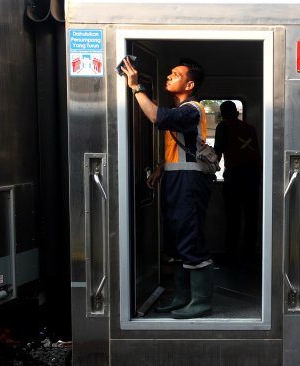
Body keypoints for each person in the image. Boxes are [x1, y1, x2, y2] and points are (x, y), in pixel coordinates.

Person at [120, 57, 214, 319]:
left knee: (190, 236)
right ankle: (182, 297)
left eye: (177, 74)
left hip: (189, 182)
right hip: (175, 179)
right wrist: (162, 167)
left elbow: (155, 117)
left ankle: (201, 302)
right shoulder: (180, 110)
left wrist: (136, 87)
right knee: (175, 239)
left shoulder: (191, 108)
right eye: (170, 73)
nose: (170, 77)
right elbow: (181, 146)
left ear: (190, 83)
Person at [214, 101, 261, 265]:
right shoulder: (250, 128)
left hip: (234, 176)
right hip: (253, 176)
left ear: (223, 114)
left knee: (233, 217)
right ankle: (248, 253)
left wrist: (211, 169)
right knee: (251, 217)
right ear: (235, 112)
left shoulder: (223, 127)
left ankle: (231, 255)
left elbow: (218, 151)